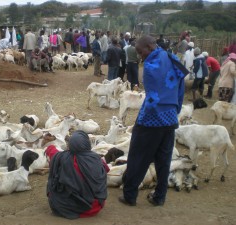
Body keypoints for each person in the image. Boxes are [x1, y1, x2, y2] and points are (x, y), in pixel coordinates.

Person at [119, 35, 187, 207]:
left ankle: (130, 195)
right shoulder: (171, 57)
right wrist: (176, 108)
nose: (141, 56)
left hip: (152, 119)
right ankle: (159, 196)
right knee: (163, 160)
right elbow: (181, 83)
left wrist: (142, 122)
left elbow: (153, 98)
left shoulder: (150, 66)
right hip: (170, 118)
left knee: (137, 156)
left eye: (141, 52)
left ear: (150, 46)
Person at [46, 130, 109, 219]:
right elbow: (106, 169)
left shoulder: (62, 158)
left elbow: (52, 153)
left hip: (68, 208)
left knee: (53, 181)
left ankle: (67, 205)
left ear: (71, 145)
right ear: (87, 143)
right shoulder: (96, 159)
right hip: (94, 207)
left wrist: (51, 147)